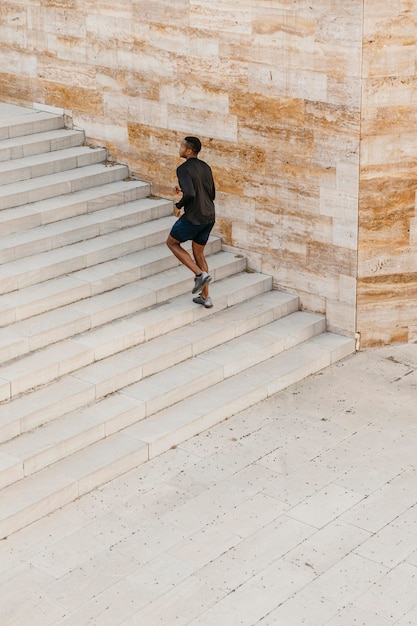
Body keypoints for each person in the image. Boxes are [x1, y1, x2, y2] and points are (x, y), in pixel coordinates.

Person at [166, 136, 216, 308]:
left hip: (194, 217)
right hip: (209, 216)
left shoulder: (183, 169)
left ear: (189, 151)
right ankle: (206, 298)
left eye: (182, 146)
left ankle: (199, 274)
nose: (179, 148)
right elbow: (210, 193)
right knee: (199, 253)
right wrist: (184, 190)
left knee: (172, 243)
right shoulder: (205, 167)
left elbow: (191, 194)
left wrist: (178, 205)